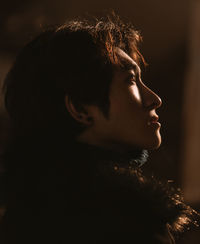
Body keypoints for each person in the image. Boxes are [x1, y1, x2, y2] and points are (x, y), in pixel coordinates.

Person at [1, 14, 199, 243]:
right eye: (131, 80)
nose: (154, 99)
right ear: (79, 108)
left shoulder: (24, 215)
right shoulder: (124, 220)